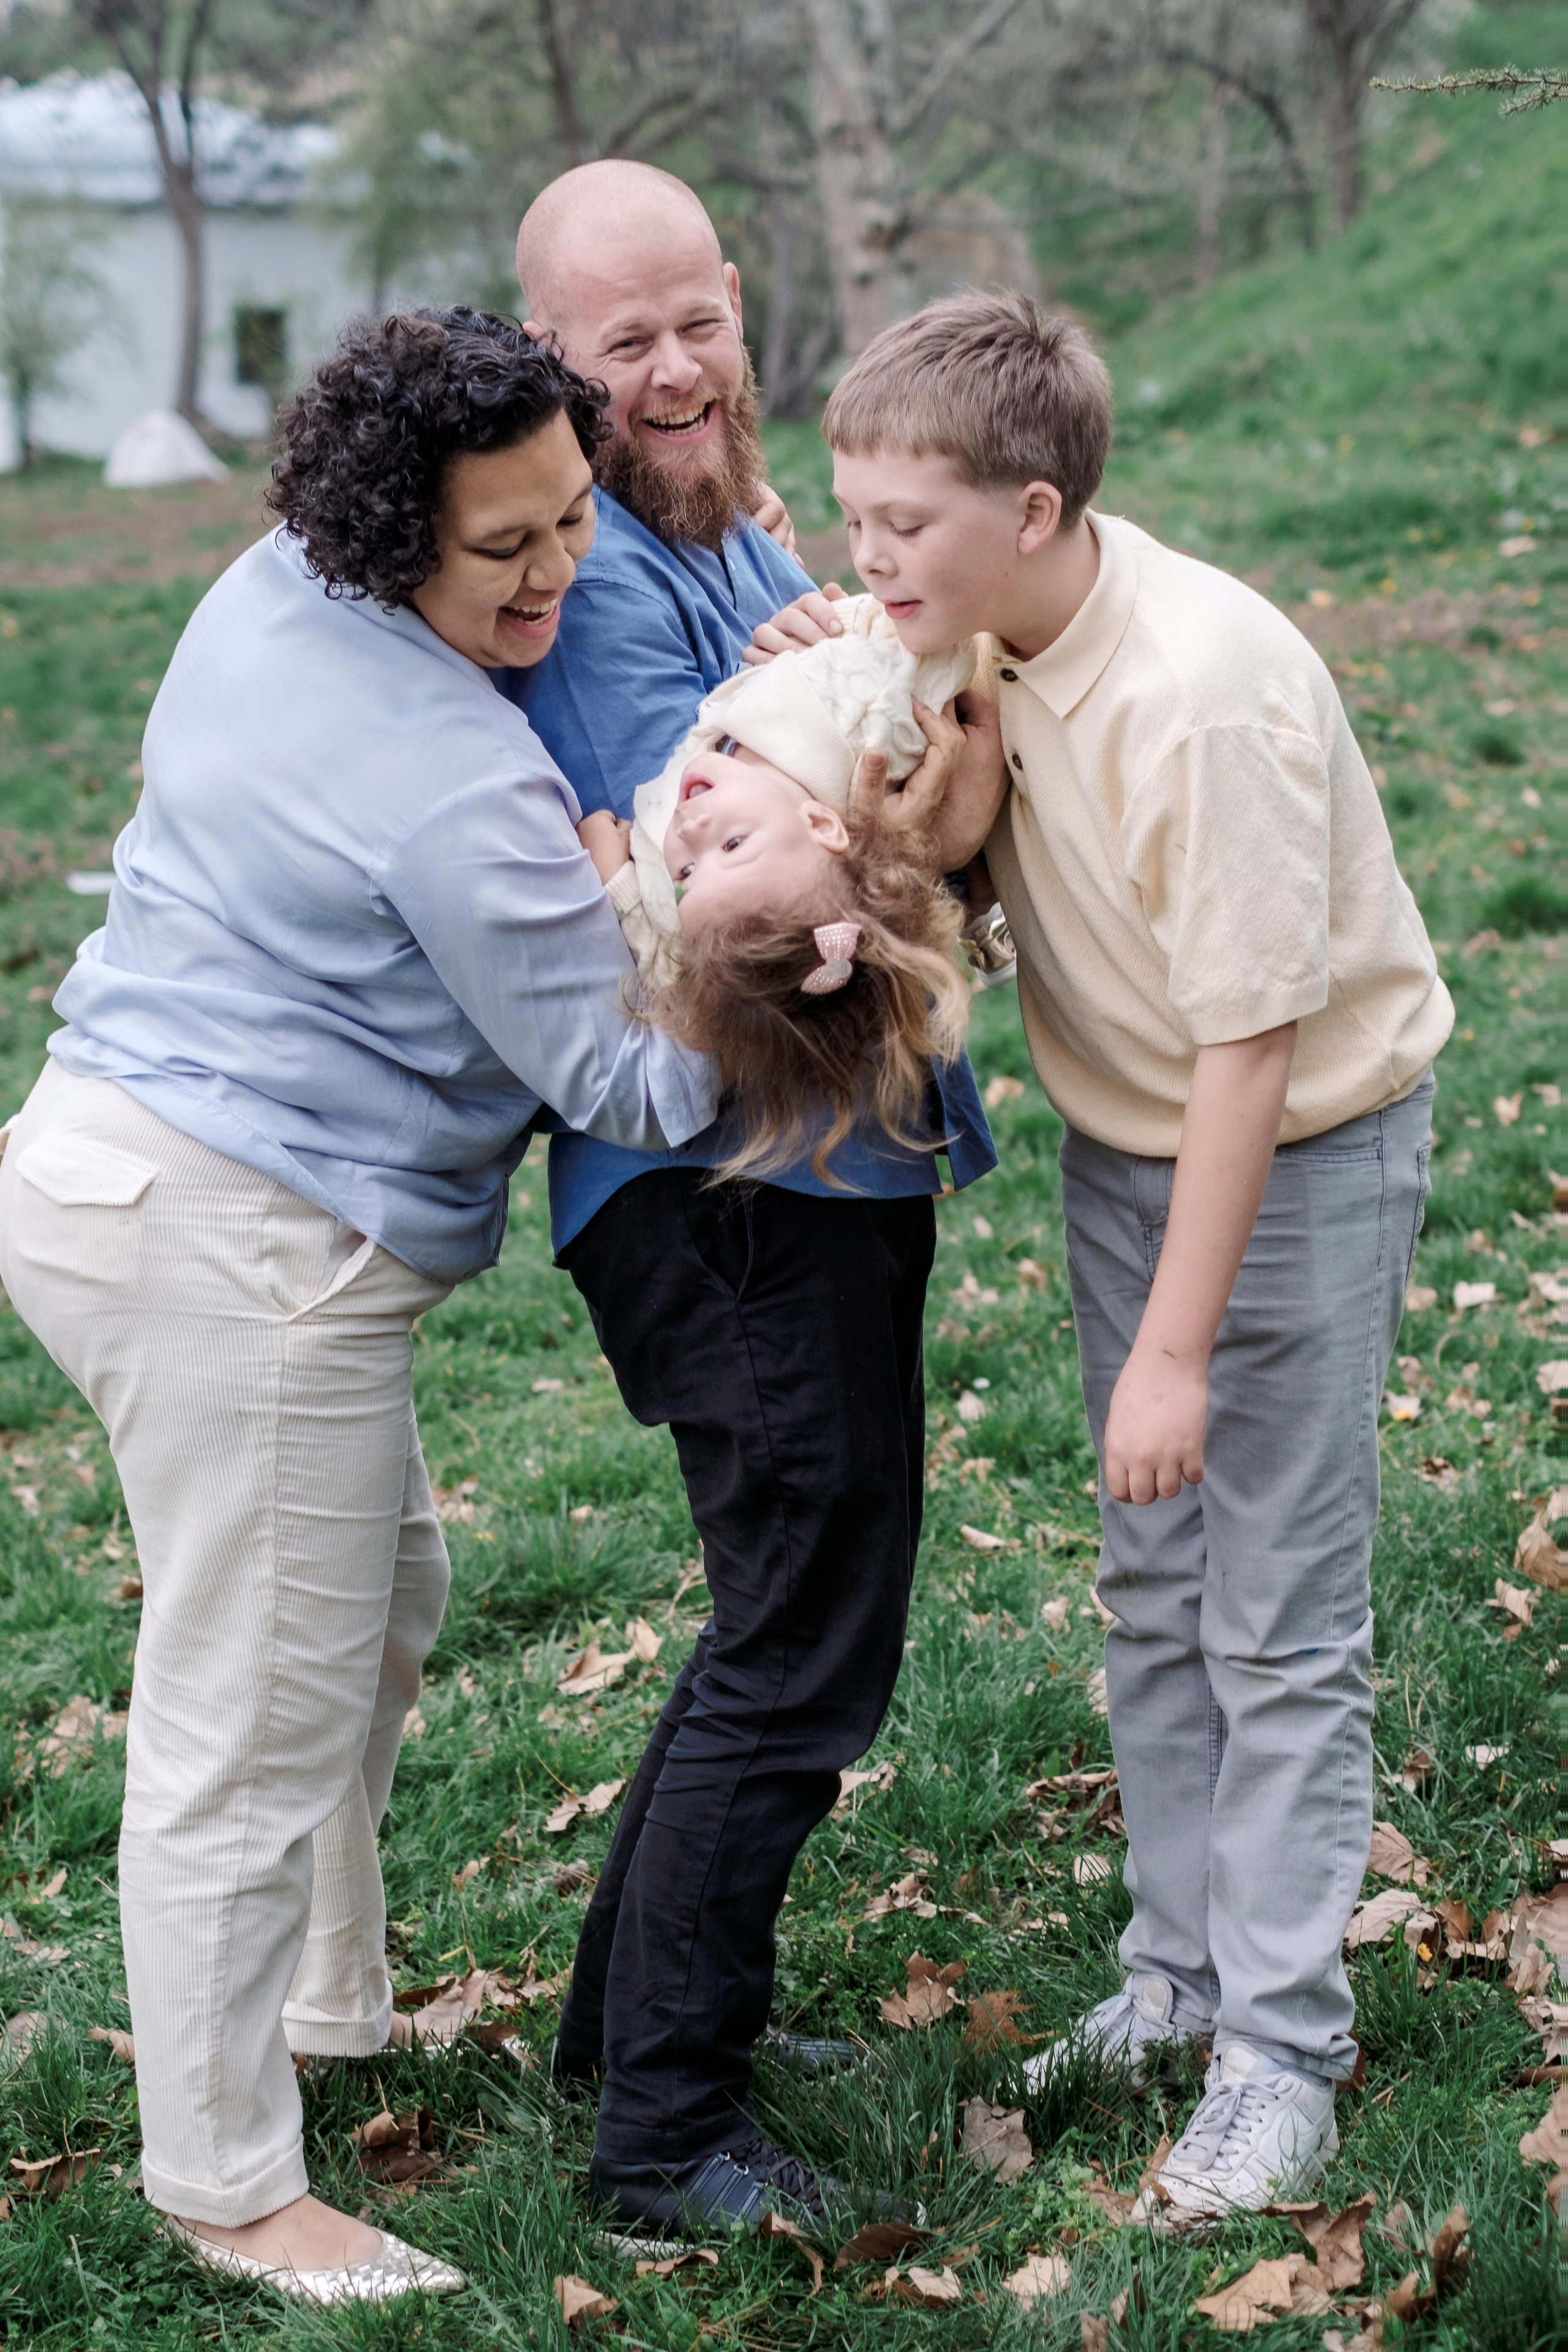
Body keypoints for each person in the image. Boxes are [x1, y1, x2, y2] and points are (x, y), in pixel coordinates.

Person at [0, 309, 715, 2304]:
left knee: (371, 1610)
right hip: (240, 1248)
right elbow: (641, 1083)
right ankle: (228, 2187)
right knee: (247, 1715)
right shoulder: (452, 790)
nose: (557, 574)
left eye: (571, 520)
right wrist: (687, 920)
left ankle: (323, 2002)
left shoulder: (263, 586)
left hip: (93, 1160)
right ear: (389, 533)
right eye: (505, 552)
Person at [785, 287, 1453, 2216]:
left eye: (905, 522)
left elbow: (1249, 1049)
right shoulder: (983, 632)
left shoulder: (1205, 690)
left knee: (1273, 1615)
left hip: (1292, 1152)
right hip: (1128, 1146)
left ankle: (1282, 2052)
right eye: (854, 514)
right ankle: (1176, 1977)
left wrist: (1175, 1349)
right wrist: (958, 838)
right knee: (1156, 1591)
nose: (868, 555)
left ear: (1039, 509)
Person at [499, 162, 1002, 2234]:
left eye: (699, 316)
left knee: (768, 1626)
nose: (681, 368)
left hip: (812, 1162)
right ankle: (663, 2147)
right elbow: (735, 893)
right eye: (627, 342)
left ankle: (641, 2028)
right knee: (799, 1644)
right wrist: (907, 771)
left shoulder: (734, 535)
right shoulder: (604, 574)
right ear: (555, 360)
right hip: (732, 1185)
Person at [579, 596, 976, 1178]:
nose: (689, 834)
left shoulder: (702, 903)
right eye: (733, 846)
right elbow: (929, 649)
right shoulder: (854, 736)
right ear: (820, 823)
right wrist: (850, 624)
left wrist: (616, 879)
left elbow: (655, 945)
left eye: (687, 876)